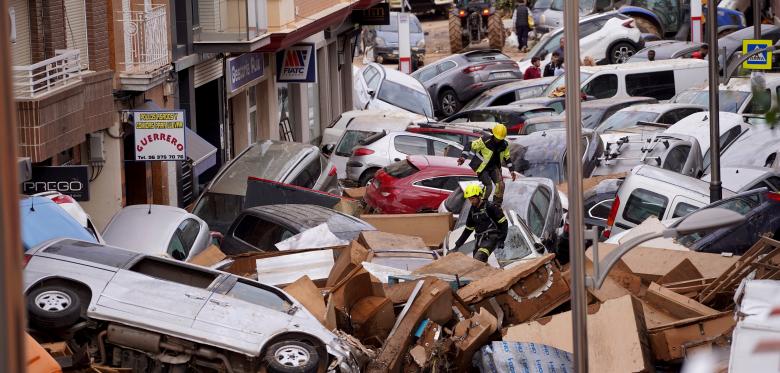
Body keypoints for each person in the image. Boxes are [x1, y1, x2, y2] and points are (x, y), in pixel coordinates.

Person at [457, 123, 516, 206]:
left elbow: (507, 158)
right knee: (488, 186)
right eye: (497, 138)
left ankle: (497, 204)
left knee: (501, 185)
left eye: (500, 138)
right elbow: (469, 144)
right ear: (494, 134)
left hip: (494, 168)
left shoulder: (504, 145)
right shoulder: (485, 141)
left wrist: (512, 171)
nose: (498, 140)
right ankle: (482, 203)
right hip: (482, 167)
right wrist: (463, 157)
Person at [452, 184, 509, 263]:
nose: (471, 201)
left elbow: (504, 223)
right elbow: (468, 229)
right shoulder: (472, 210)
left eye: (473, 198)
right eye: (469, 199)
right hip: (479, 240)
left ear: (479, 196)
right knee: (477, 265)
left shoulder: (491, 207)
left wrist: (502, 239)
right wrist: (457, 245)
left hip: (491, 238)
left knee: (478, 258)